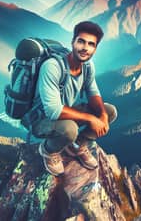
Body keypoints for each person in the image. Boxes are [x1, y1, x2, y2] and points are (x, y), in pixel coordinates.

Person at [24, 21, 117, 176]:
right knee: (69, 130)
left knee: (110, 111)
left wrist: (102, 115)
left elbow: (93, 92)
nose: (85, 48)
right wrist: (90, 119)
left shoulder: (87, 66)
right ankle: (48, 151)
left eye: (91, 44)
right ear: (73, 42)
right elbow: (53, 111)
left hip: (65, 112)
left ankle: (78, 146)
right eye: (81, 41)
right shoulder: (52, 67)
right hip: (40, 119)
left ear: (95, 48)